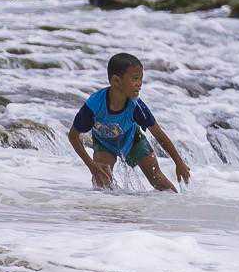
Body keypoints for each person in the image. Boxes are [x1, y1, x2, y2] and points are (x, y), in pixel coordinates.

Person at [68, 53, 192, 192]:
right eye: (135, 79)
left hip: (133, 140)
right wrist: (91, 165)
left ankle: (175, 206)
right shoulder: (94, 105)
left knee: (156, 178)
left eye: (141, 79)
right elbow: (73, 136)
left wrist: (179, 163)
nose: (139, 84)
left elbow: (159, 135)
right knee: (101, 179)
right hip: (104, 144)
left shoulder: (136, 107)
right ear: (116, 81)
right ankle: (106, 212)